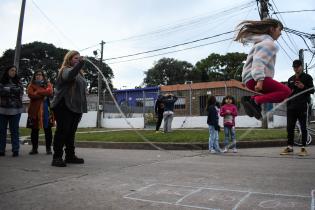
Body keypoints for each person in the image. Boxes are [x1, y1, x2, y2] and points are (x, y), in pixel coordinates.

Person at [235, 19, 291, 120]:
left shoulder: (260, 43)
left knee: (276, 94)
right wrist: (260, 80)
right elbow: (258, 61)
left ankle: (253, 103)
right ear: (272, 29)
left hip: (250, 79)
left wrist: (246, 80)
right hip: (256, 79)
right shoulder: (268, 44)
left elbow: (251, 62)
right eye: (279, 30)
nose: (280, 33)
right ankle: (254, 101)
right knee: (285, 91)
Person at [50, 50, 87, 167]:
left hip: (76, 107)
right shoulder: (64, 70)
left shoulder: (80, 74)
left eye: (78, 58)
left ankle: (70, 156)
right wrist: (80, 64)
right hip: (63, 105)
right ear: (69, 59)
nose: (78, 60)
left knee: (71, 132)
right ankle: (57, 157)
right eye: (75, 58)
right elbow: (70, 76)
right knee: (62, 131)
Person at [281, 60, 314, 156]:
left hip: (302, 106)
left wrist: (303, 87)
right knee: (290, 128)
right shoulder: (291, 79)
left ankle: (303, 148)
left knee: (303, 127)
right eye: (294, 67)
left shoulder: (307, 77)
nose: (296, 68)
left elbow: (312, 90)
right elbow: (289, 92)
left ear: (301, 67)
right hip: (291, 106)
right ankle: (290, 147)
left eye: (298, 66)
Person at [27, 70, 54, 155]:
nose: (38, 76)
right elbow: (31, 95)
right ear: (34, 76)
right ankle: (34, 148)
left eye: (40, 75)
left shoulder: (48, 84)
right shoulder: (31, 85)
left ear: (43, 76)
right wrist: (43, 93)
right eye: (37, 75)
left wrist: (38, 91)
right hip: (34, 110)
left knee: (48, 130)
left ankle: (48, 148)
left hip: (46, 110)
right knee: (34, 130)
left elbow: (50, 92)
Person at [0, 65, 24, 157]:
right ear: (7, 71)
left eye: (15, 70)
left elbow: (20, 92)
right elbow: (1, 91)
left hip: (16, 110)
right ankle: (1, 150)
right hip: (2, 110)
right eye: (12, 70)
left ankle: (15, 150)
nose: (13, 72)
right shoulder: (2, 81)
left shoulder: (18, 81)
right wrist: (12, 90)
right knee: (2, 131)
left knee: (15, 130)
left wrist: (7, 89)